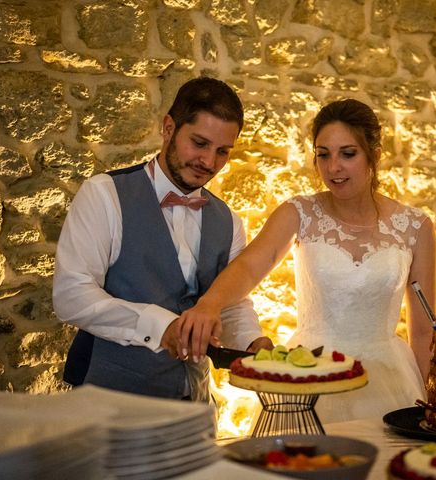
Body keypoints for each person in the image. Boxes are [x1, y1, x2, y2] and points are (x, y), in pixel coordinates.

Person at [176, 98, 436, 422]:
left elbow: (424, 329)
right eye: (323, 155)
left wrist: (425, 403)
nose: (333, 168)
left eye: (348, 153)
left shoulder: (416, 226)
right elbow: (247, 267)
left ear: (375, 154)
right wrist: (209, 304)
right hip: (311, 375)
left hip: (389, 377)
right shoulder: (298, 213)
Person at [53, 77, 272, 402]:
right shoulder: (105, 195)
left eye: (222, 151)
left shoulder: (229, 221)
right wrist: (160, 326)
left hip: (194, 407)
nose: (209, 163)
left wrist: (253, 341)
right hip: (109, 405)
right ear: (169, 127)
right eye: (199, 143)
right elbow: (72, 296)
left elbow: (230, 304)